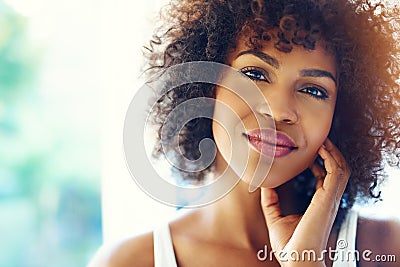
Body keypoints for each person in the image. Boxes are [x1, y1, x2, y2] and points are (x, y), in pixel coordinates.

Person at [89, 0, 400, 266]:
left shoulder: (387, 249)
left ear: (341, 113)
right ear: (207, 83)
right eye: (255, 74)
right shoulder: (131, 261)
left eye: (314, 90)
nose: (279, 111)